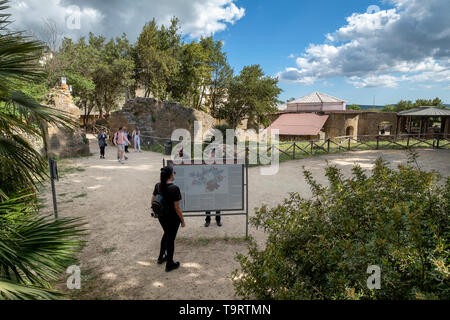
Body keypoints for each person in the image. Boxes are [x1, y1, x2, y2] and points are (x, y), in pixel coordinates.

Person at [152, 166, 185, 272]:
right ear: (171, 175)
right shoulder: (174, 188)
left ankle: (161, 257)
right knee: (170, 239)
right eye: (173, 173)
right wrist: (182, 221)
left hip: (161, 217)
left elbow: (152, 200)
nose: (174, 174)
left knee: (166, 234)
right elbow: (177, 208)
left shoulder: (158, 186)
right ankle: (170, 263)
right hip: (172, 218)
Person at [205, 148, 222, 227]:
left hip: (217, 187)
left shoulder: (219, 164)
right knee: (208, 203)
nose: (212, 158)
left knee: (218, 203)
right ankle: (207, 220)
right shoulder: (206, 164)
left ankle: (218, 219)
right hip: (209, 187)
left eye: (214, 156)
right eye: (211, 156)